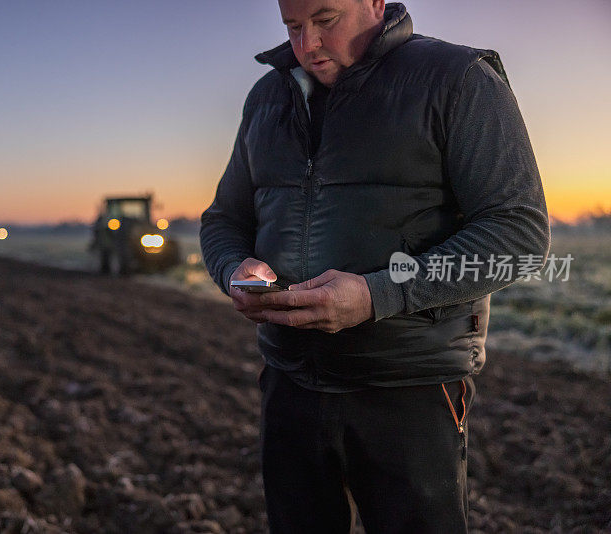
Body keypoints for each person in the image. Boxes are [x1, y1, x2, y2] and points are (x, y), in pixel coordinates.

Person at [200, 0, 550, 532]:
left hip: (408, 386)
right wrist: (234, 272)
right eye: (292, 26)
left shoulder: (457, 78)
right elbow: (224, 218)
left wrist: (377, 294)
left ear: (374, 4)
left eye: (326, 20)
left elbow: (517, 233)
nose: (305, 46)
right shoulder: (267, 97)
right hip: (289, 382)